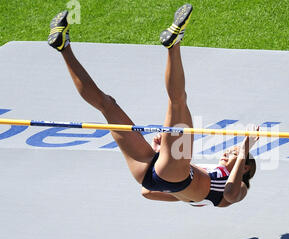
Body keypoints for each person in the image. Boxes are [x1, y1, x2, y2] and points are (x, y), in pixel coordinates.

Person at [47, 4, 258, 207]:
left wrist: (244, 149)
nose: (227, 152)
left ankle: (173, 44)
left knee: (178, 101)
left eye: (232, 154)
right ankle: (63, 46)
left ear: (246, 167)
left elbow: (230, 195)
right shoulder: (209, 178)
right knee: (106, 104)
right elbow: (148, 193)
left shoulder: (239, 185)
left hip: (168, 175)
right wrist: (161, 156)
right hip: (149, 174)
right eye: (232, 150)